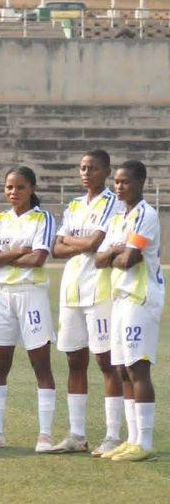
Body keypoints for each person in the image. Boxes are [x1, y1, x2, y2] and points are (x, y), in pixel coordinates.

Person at [0, 166, 57, 452]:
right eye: (9, 187)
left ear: (31, 189)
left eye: (20, 187)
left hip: (31, 294)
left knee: (40, 364)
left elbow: (38, 259)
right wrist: (19, 251)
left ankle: (45, 435)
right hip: (3, 296)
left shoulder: (43, 218)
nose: (13, 192)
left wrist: (5, 257)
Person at [51, 150, 123, 455]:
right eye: (81, 168)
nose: (85, 172)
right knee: (73, 360)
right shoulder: (75, 205)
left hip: (99, 290)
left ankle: (113, 434)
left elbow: (97, 244)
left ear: (105, 171)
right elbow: (56, 248)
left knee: (105, 361)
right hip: (71, 289)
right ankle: (77, 434)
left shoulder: (113, 203)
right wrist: (83, 245)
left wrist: (75, 243)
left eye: (91, 168)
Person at [94, 160, 163, 462]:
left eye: (126, 182)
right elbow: (99, 259)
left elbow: (129, 260)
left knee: (138, 367)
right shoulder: (119, 219)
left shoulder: (146, 215)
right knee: (121, 368)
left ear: (141, 182)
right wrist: (114, 251)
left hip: (140, 298)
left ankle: (145, 441)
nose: (119, 187)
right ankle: (132, 439)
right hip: (120, 298)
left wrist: (115, 253)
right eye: (117, 182)